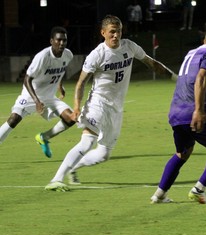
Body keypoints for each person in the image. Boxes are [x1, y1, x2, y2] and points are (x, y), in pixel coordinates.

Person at [45, 15, 177, 192]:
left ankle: (74, 167)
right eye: (112, 32)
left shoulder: (129, 46)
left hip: (116, 109)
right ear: (103, 33)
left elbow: (151, 63)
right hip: (97, 104)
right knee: (87, 142)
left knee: (103, 154)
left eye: (119, 31)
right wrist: (77, 107)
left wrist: (177, 79)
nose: (116, 35)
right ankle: (56, 179)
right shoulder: (97, 55)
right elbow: (81, 82)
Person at [150, 22, 206, 204]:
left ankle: (159, 195)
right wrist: (199, 110)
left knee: (183, 153)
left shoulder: (191, 54)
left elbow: (188, 81)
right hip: (192, 112)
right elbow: (201, 77)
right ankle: (198, 190)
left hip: (175, 113)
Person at [0, 26, 74, 158]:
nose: (62, 43)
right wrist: (36, 101)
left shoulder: (68, 55)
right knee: (14, 119)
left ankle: (43, 137)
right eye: (59, 40)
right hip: (31, 94)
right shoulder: (43, 57)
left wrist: (59, 85)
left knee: (71, 118)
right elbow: (27, 79)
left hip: (49, 97)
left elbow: (61, 69)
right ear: (52, 41)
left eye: (64, 40)